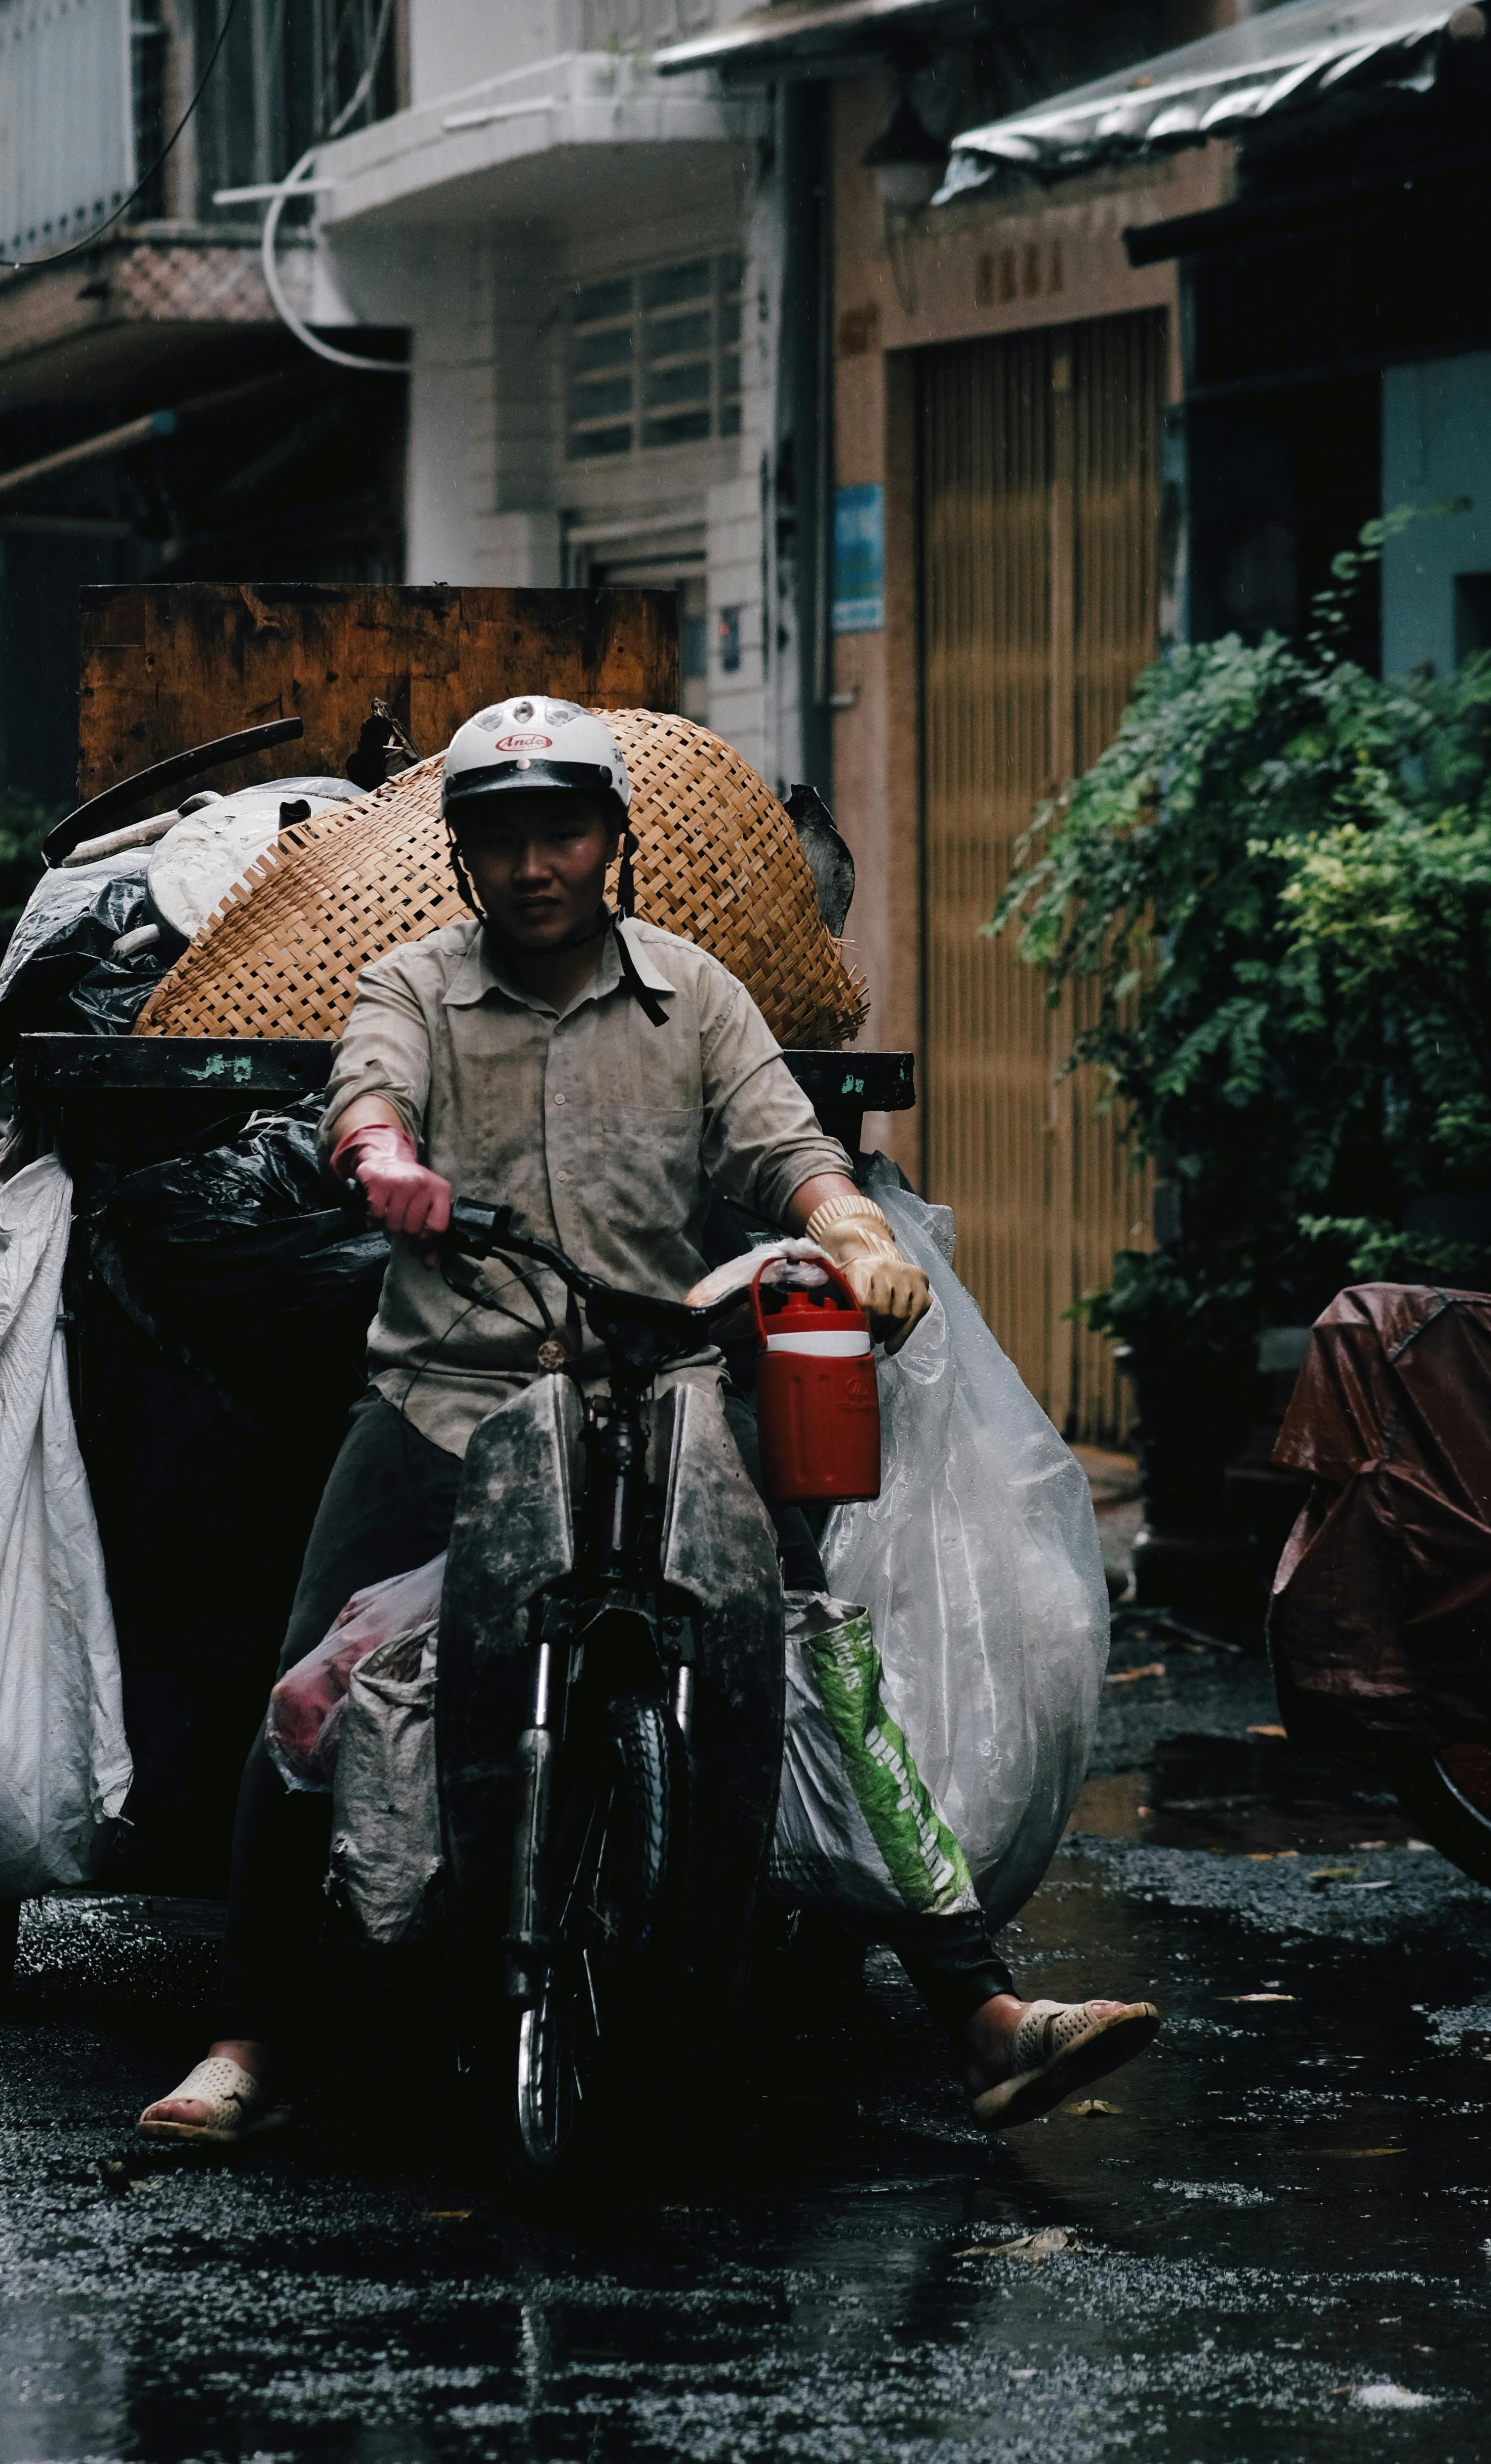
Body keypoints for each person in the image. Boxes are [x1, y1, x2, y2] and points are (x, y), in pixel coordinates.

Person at [142, 698, 1157, 2146]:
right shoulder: (412, 988)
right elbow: (362, 1103)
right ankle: (247, 2035)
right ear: (464, 857)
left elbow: (787, 1145)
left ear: (613, 846)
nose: (535, 861)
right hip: (450, 1403)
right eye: (501, 835)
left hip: (664, 1398)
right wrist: (387, 1167)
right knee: (310, 1697)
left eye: (562, 829)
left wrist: (855, 1232)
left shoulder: (696, 994)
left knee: (813, 1657)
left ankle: (983, 2016)